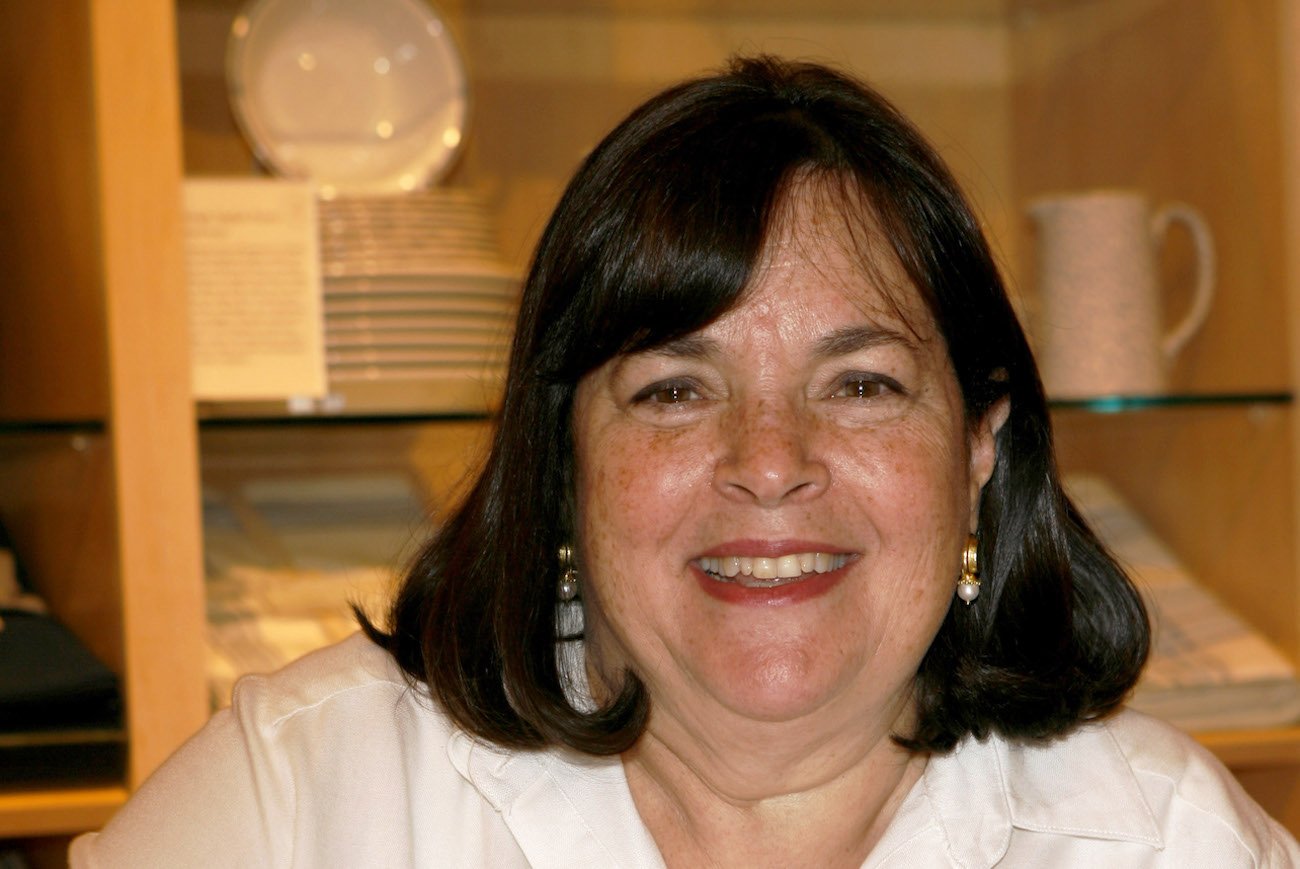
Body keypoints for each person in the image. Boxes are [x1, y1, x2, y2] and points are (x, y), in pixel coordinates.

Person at [72, 55, 1299, 867]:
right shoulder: (308, 796)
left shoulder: (1160, 840)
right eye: (671, 389)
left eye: (860, 384)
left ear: (981, 442)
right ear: (561, 454)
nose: (769, 463)